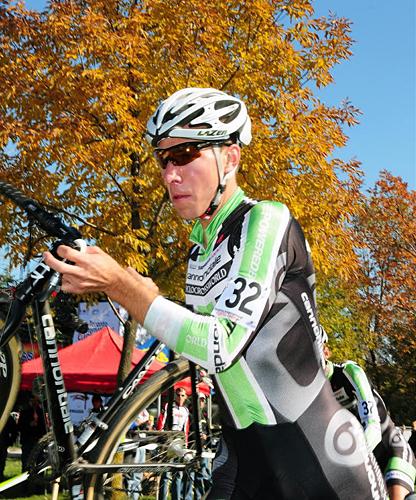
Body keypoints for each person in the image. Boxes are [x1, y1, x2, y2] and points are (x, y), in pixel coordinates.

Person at [44, 87, 387, 498]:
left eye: (187, 154)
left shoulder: (266, 220)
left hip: (318, 458)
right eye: (164, 159)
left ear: (230, 157)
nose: (170, 174)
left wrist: (124, 286)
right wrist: (141, 296)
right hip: (244, 458)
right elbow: (200, 354)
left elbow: (222, 346)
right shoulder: (200, 248)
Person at [322, 330, 416, 500]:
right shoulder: (315, 391)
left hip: (390, 449)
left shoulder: (349, 372)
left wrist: (350, 464)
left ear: (326, 352)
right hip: (364, 464)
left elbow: (373, 427)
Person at [157, 388, 190, 500]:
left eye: (183, 395)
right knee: (166, 474)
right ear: (175, 396)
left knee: (178, 474)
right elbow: (161, 423)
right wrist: (162, 439)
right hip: (168, 441)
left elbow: (186, 429)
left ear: (186, 397)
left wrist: (185, 445)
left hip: (179, 442)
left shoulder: (186, 410)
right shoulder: (168, 406)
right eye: (178, 395)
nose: (180, 398)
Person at [17, 392, 47, 472]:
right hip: (27, 440)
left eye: (36, 399)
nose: (34, 401)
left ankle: (39, 481)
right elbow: (20, 427)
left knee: (40, 461)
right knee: (26, 461)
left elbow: (45, 427)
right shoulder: (24, 412)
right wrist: (29, 424)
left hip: (39, 440)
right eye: (32, 399)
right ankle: (25, 481)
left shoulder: (41, 412)